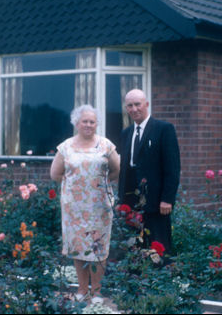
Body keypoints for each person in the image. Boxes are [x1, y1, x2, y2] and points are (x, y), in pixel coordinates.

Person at [50, 104, 120, 303]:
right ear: (77, 123)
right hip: (75, 208)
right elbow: (55, 174)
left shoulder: (106, 145)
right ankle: (82, 290)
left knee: (98, 247)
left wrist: (100, 184)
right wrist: (76, 185)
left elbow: (116, 170)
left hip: (100, 206)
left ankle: (97, 292)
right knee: (78, 247)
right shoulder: (66, 147)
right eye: (84, 121)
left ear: (96, 124)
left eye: (92, 121)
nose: (88, 125)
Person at [118, 89, 180, 257]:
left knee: (159, 248)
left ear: (146, 104)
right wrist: (121, 199)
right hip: (131, 201)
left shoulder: (163, 129)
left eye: (137, 104)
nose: (134, 109)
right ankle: (136, 280)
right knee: (133, 247)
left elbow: (172, 168)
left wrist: (167, 198)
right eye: (129, 105)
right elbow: (125, 169)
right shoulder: (126, 133)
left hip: (157, 202)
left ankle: (162, 280)